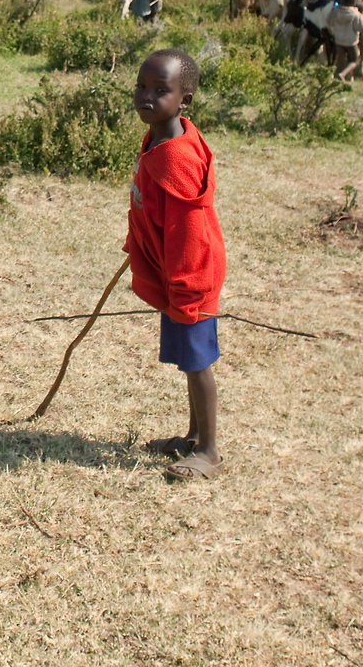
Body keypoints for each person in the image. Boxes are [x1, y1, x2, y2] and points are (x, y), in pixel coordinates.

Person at [125, 49, 228, 481]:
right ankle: (191, 437)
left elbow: (189, 233)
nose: (147, 97)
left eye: (160, 90)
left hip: (191, 274)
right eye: (141, 87)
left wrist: (184, 288)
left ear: (184, 100)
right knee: (190, 359)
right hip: (177, 271)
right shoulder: (165, 136)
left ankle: (209, 452)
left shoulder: (176, 157)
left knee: (197, 361)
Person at [325, 0, 363, 81]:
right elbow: (362, 28)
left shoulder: (336, 10)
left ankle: (337, 78)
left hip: (338, 40)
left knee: (340, 61)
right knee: (354, 60)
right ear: (355, 1)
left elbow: (329, 21)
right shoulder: (355, 14)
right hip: (351, 42)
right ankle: (342, 74)